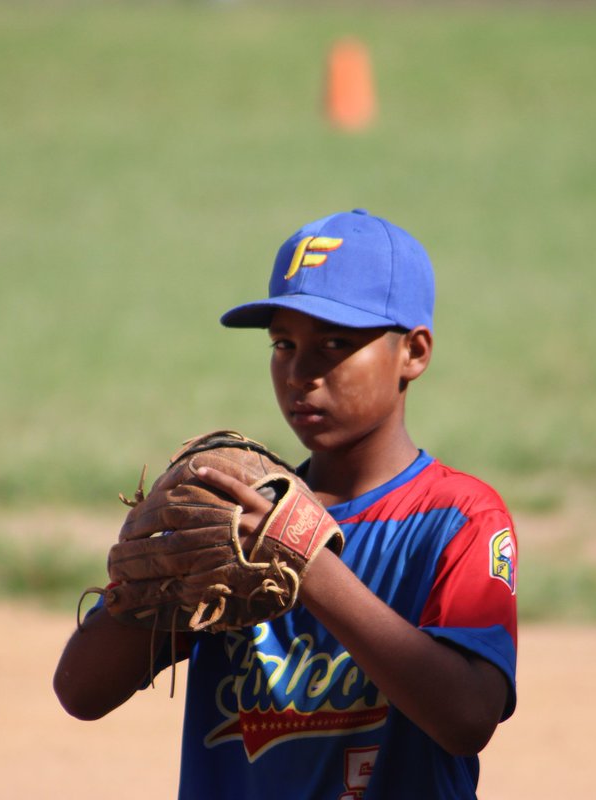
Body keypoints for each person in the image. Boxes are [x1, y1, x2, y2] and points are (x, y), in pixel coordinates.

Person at [54, 209, 519, 799]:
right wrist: (146, 594)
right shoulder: (231, 520)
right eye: (283, 344)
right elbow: (80, 693)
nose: (301, 373)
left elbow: (468, 717)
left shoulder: (457, 517)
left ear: (415, 352)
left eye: (334, 344)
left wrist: (310, 564)